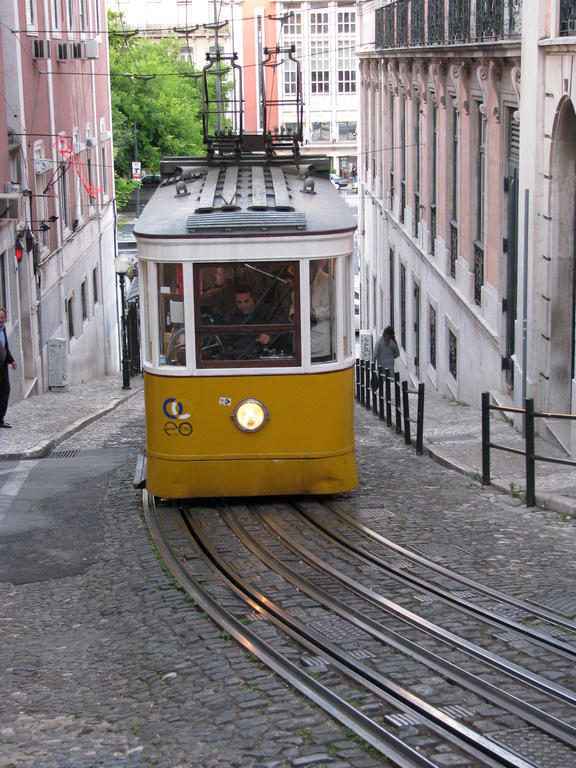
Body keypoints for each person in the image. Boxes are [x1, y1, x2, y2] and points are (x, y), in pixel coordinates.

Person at [224, 284, 273, 359]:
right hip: (239, 359)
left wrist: (269, 336)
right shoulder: (230, 317)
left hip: (263, 358)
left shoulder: (267, 311)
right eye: (239, 302)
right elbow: (227, 342)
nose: (243, 306)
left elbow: (280, 326)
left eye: (246, 301)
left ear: (252, 298)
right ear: (235, 302)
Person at [309, 260, 332, 361]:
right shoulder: (303, 279)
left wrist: (314, 312)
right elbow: (294, 301)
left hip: (321, 344)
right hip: (304, 341)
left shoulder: (326, 280)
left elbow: (331, 309)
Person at [0, 308, 17, 428]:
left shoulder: (3, 329)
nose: (0, 320)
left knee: (5, 391)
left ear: (5, 319)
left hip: (3, 366)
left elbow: (5, 347)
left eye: (2, 318)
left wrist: (12, 360)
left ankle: (0, 419)